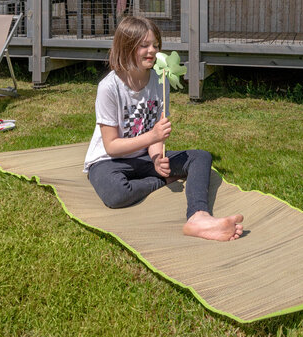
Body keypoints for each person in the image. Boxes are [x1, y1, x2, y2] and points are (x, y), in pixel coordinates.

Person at [83, 15, 243, 242]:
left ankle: (198, 216)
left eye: (156, 45)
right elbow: (111, 146)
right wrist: (154, 146)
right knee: (116, 194)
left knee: (200, 158)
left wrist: (157, 158)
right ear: (126, 47)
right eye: (144, 45)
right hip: (109, 162)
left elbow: (156, 131)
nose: (153, 51)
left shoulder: (160, 79)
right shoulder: (109, 88)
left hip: (144, 158)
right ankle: (160, 182)